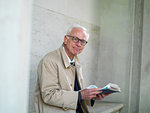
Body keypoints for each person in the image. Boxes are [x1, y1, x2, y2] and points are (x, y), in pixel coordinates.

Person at [34, 25, 109, 113]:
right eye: (75, 39)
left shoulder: (76, 61)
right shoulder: (50, 60)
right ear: (66, 39)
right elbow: (48, 95)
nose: (79, 44)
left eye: (83, 41)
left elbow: (75, 92)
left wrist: (91, 97)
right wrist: (80, 95)